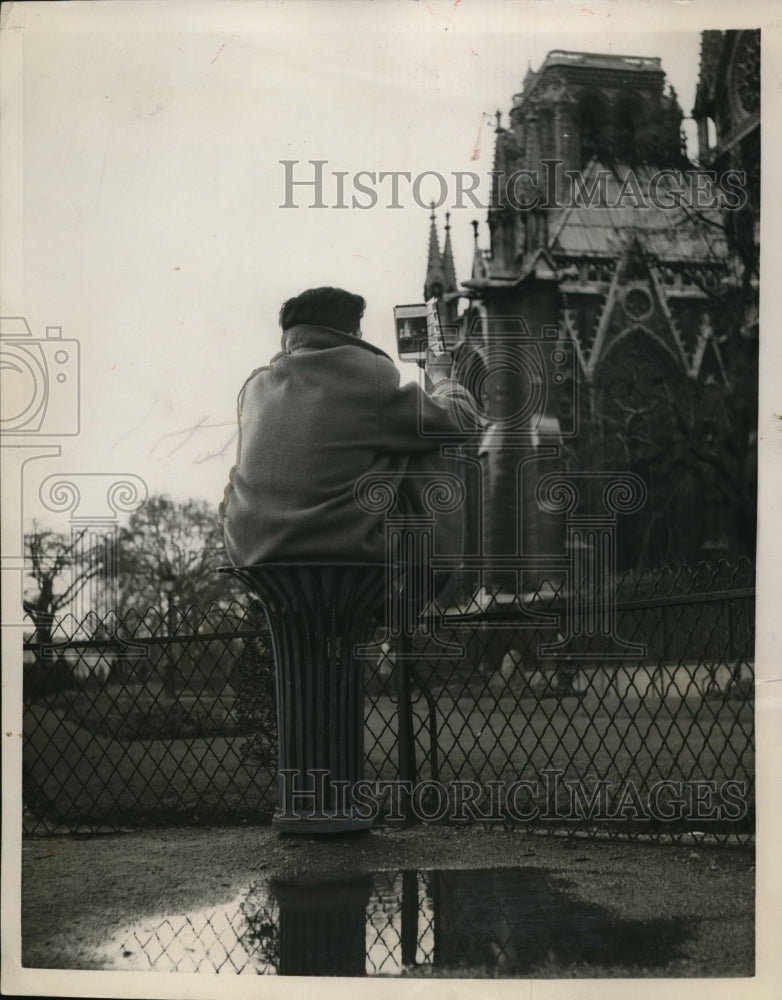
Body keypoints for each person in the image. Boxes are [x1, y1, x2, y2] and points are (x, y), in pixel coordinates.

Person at [219, 286, 478, 568]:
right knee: (424, 440)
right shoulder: (368, 373)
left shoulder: (255, 386)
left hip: (254, 557)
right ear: (352, 333)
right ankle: (427, 581)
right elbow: (460, 420)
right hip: (344, 557)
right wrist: (441, 377)